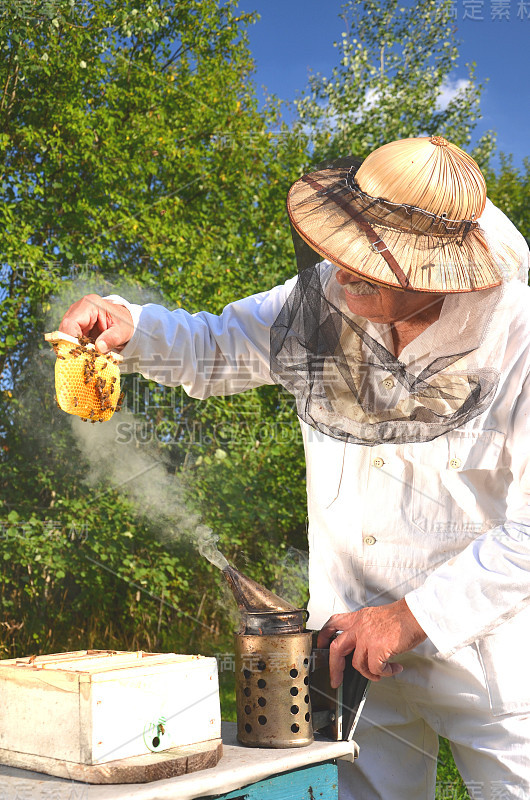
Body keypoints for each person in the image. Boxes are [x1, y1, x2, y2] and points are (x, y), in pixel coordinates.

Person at [60, 136, 530, 800]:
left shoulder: (518, 341)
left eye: (368, 259)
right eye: (340, 244)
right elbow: (217, 345)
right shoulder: (322, 296)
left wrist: (408, 615)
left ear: (437, 272)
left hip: (487, 658)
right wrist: (128, 323)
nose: (338, 268)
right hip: (348, 648)